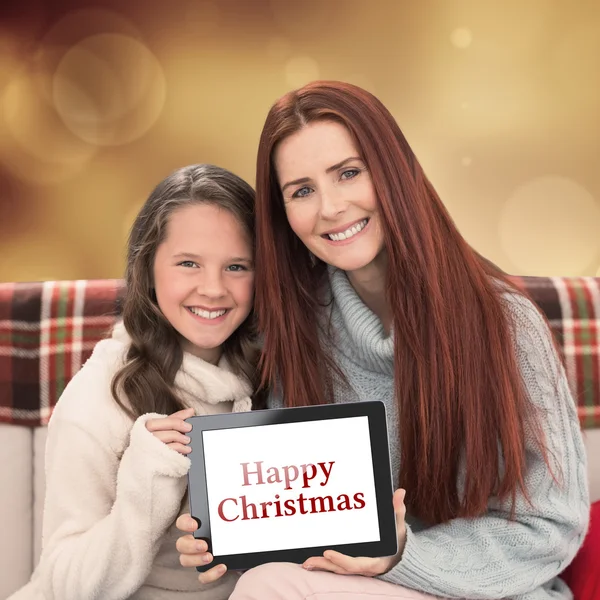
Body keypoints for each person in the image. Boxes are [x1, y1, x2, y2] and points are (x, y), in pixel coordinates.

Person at [175, 81, 590, 600]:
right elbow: (300, 523)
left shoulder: (505, 324)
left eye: (348, 173)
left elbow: (551, 527)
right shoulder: (290, 331)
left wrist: (401, 556)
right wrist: (225, 532)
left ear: (394, 171)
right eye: (301, 191)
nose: (330, 207)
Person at [9, 164, 259, 600]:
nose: (214, 288)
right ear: (148, 268)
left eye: (236, 266)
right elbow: (64, 584)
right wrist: (146, 487)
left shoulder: (274, 374)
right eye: (188, 264)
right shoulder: (102, 393)